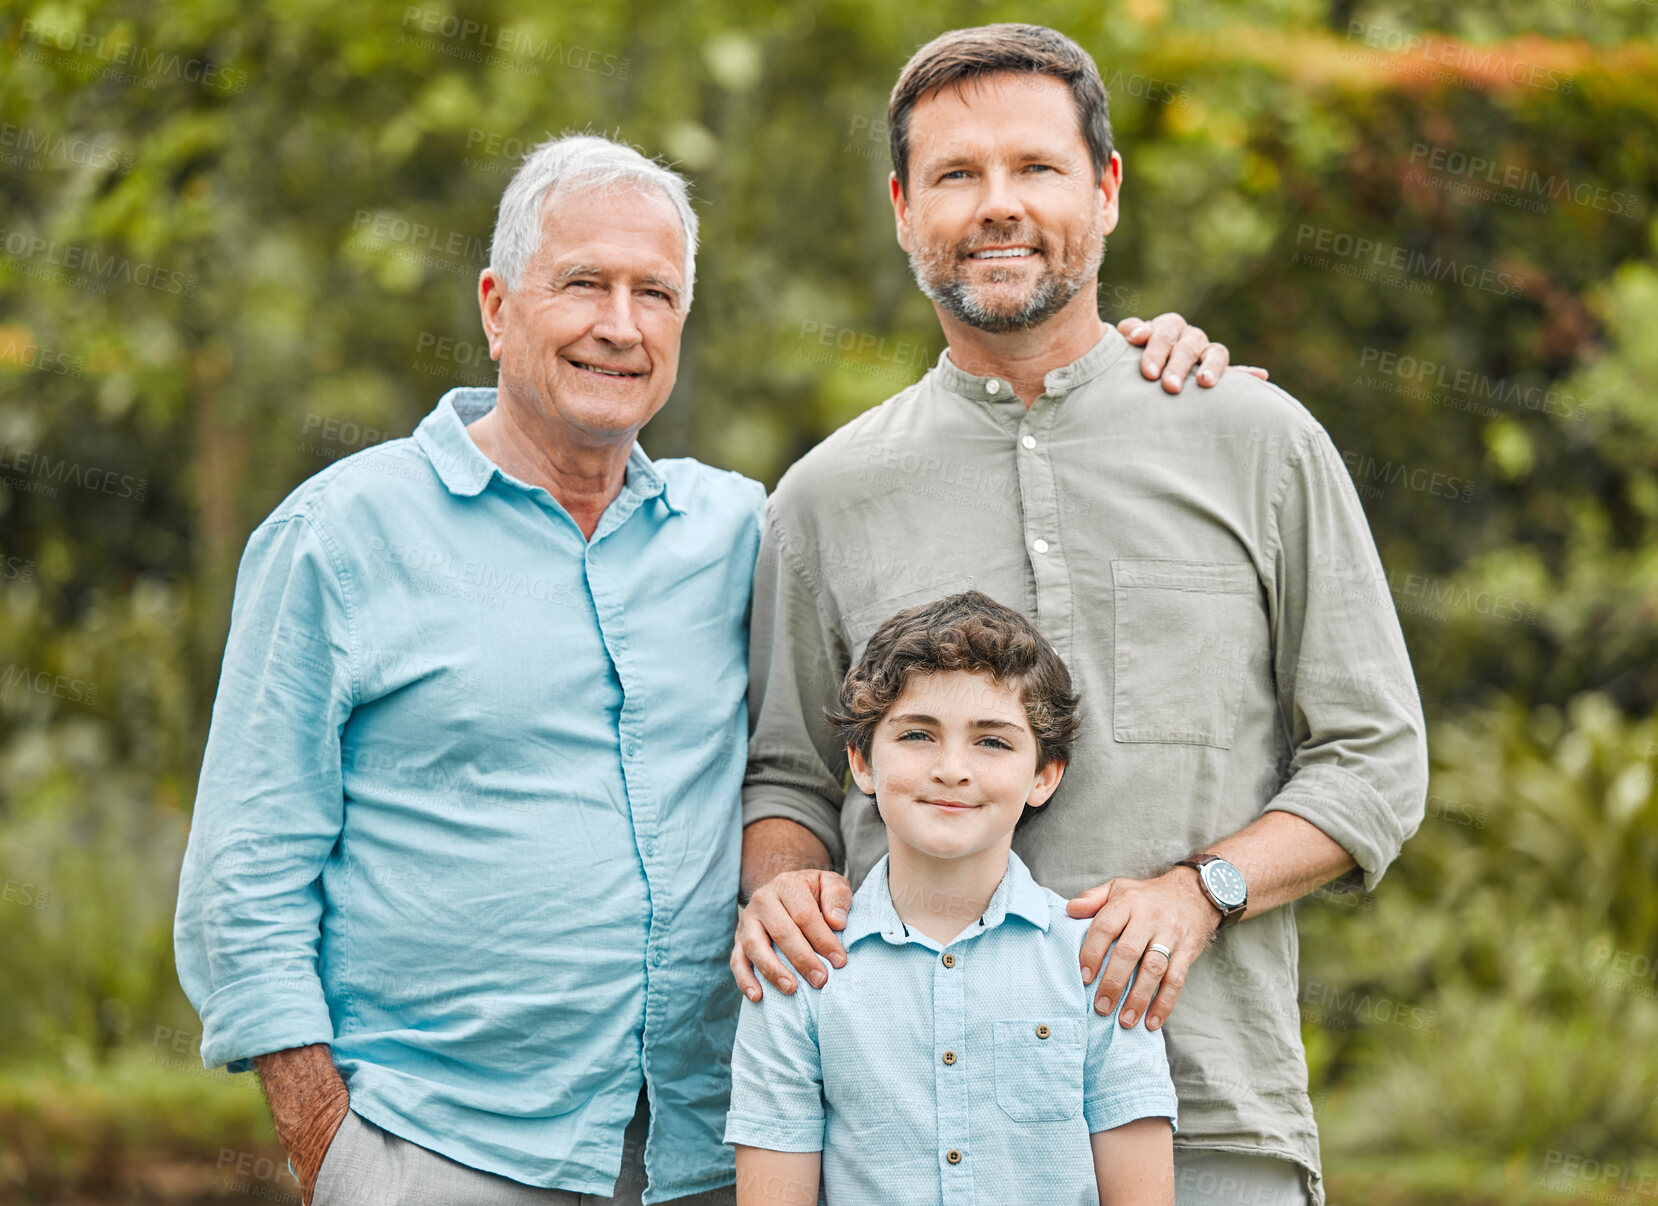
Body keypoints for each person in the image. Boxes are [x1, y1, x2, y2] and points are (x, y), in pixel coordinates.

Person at [172, 130, 1238, 1206]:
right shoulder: (340, 537)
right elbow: (244, 879)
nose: (619, 325)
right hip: (440, 1149)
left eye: (655, 293)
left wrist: (1117, 372)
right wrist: (331, 1150)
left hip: (706, 1155)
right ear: (497, 308)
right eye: (581, 284)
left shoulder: (733, 527)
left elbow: (934, 612)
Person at [733, 24, 1430, 1206]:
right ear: (904, 209)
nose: (995, 205)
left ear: (1104, 193)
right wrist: (782, 886)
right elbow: (789, 778)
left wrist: (1197, 893)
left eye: (1035, 168)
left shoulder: (1253, 442)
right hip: (899, 1143)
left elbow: (1372, 758)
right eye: (955, 175)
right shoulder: (824, 497)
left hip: (1213, 1118)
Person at [726, 591, 1177, 1206]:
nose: (952, 769)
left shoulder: (1097, 961)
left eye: (992, 741)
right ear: (861, 762)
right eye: (917, 734)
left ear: (1043, 775)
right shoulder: (800, 969)